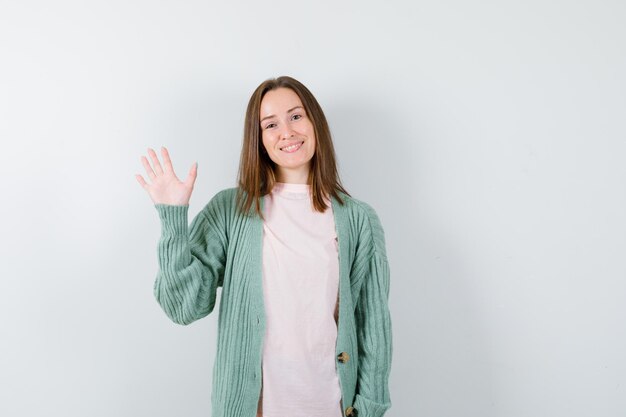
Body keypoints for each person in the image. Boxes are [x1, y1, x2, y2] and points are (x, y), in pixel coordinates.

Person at [135, 76, 393, 417]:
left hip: (330, 407)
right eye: (270, 124)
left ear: (315, 123)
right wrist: (173, 219)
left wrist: (368, 410)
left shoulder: (359, 220)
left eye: (296, 116)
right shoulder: (232, 211)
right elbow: (183, 307)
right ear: (259, 140)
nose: (286, 131)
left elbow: (372, 327)